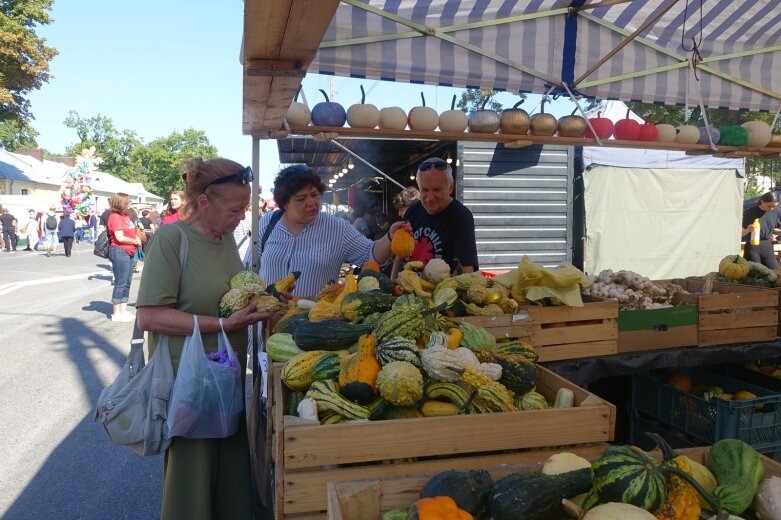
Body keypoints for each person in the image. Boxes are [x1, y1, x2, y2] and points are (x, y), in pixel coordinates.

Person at [136, 158, 272, 519]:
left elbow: (228, 296)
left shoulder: (225, 238)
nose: (242, 217)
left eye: (245, 208)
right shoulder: (170, 240)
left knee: (229, 471)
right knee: (193, 477)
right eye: (235, 209)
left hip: (225, 378)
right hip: (191, 384)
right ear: (205, 202)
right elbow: (149, 316)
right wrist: (222, 326)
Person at [257, 165, 409, 297]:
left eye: (314, 195)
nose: (311, 202)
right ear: (284, 203)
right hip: (265, 323)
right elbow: (250, 269)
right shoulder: (267, 223)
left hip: (313, 322)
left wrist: (390, 236)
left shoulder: (337, 228)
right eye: (301, 198)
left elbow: (371, 255)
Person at [403, 157, 478, 272]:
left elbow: (466, 271)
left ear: (450, 187)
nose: (430, 197)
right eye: (424, 190)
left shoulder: (461, 216)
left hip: (446, 289)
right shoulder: (412, 211)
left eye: (437, 190)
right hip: (409, 287)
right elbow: (400, 258)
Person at [107, 193, 141, 322]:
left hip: (130, 251)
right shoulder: (115, 217)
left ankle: (123, 309)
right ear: (121, 203)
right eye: (128, 202)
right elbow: (119, 237)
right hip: (120, 251)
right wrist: (134, 241)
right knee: (121, 282)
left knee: (127, 282)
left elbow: (132, 230)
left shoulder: (125, 216)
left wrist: (136, 237)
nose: (129, 204)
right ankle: (116, 313)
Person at [742, 191, 781, 269]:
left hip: (767, 246)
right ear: (762, 201)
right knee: (755, 274)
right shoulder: (750, 212)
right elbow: (741, 233)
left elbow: (773, 229)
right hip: (752, 246)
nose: (771, 208)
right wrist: (748, 230)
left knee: (775, 273)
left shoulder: (776, 212)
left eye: (774, 206)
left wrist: (779, 232)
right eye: (769, 206)